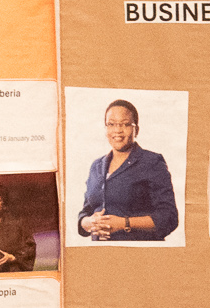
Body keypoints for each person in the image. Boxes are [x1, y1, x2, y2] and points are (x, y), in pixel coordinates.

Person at [76, 98, 178, 241]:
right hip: (99, 254)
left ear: (136, 129)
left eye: (125, 124)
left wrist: (124, 223)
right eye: (111, 124)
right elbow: (86, 212)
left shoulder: (151, 162)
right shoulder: (96, 166)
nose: (117, 130)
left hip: (138, 254)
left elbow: (169, 217)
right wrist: (88, 223)